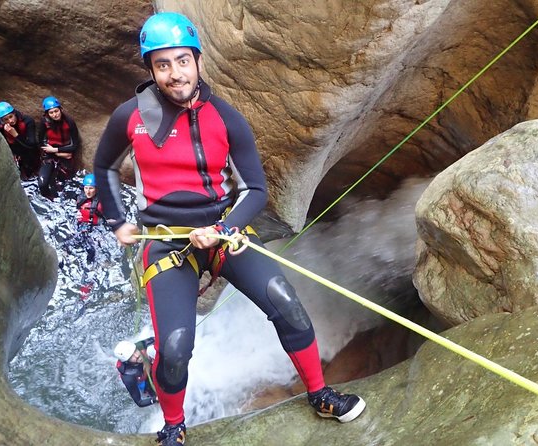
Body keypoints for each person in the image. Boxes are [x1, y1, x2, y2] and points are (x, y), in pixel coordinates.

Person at [94, 12, 365, 445]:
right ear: (151, 70)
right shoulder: (131, 117)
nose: (174, 73)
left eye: (182, 61)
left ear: (198, 61)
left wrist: (222, 227)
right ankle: (174, 426)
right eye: (162, 65)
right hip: (164, 243)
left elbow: (256, 190)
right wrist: (116, 220)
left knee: (286, 303)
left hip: (224, 234)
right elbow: (104, 166)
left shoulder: (226, 118)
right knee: (177, 347)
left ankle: (320, 394)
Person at [38, 96, 80, 199]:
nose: (55, 114)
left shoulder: (69, 122)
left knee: (63, 181)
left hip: (65, 152)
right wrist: (54, 152)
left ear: (60, 109)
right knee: (43, 184)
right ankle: (48, 200)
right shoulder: (45, 123)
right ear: (47, 114)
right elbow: (40, 142)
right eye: (51, 113)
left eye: (56, 111)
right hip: (51, 154)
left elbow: (75, 145)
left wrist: (57, 151)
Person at [0, 101, 41, 180]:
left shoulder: (27, 121)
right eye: (6, 119)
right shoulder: (0, 125)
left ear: (14, 113)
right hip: (15, 149)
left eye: (11, 116)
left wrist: (15, 135)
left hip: (29, 149)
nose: (10, 121)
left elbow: (32, 144)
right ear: (2, 120)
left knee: (31, 166)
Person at [114, 338, 158, 407]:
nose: (137, 356)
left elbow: (157, 339)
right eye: (131, 356)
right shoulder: (128, 377)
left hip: (148, 368)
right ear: (127, 361)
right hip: (142, 380)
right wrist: (155, 399)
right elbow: (139, 402)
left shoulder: (140, 346)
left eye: (135, 351)